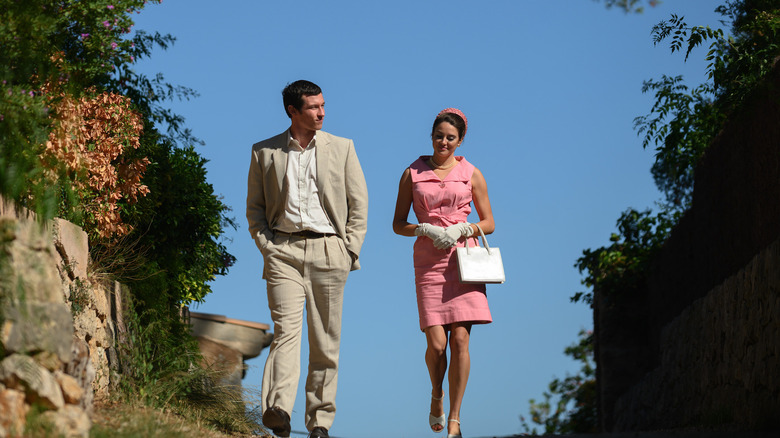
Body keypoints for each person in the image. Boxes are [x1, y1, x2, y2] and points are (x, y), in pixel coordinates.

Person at [247, 80, 368, 438]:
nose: (322, 112)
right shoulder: (264, 151)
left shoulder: (342, 148)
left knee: (325, 342)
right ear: (292, 111)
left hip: (330, 251)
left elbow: (358, 205)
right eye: (314, 107)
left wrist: (349, 250)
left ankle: (319, 422)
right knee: (285, 333)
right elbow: (255, 209)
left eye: (323, 105)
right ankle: (278, 409)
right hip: (282, 251)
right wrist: (267, 246)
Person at [392, 108, 495, 438]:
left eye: (451, 138)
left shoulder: (471, 173)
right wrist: (423, 228)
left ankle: (454, 419)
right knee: (437, 345)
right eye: (439, 136)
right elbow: (397, 224)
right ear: (432, 136)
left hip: (463, 261)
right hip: (428, 263)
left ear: (460, 140)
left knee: (461, 339)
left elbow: (489, 222)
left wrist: (464, 229)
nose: (444, 142)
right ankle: (436, 395)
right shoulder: (413, 172)